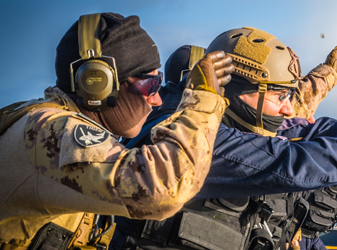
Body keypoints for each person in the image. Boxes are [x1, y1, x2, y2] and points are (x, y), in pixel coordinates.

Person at [114, 27, 337, 250]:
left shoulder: (252, 123)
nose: (291, 110)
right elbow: (290, 163)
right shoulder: (187, 136)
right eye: (280, 97)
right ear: (232, 92)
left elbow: (320, 133)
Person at [0, 13, 234, 250]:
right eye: (150, 85)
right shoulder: (49, 132)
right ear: (97, 83)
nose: (157, 101)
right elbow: (164, 189)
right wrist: (201, 100)